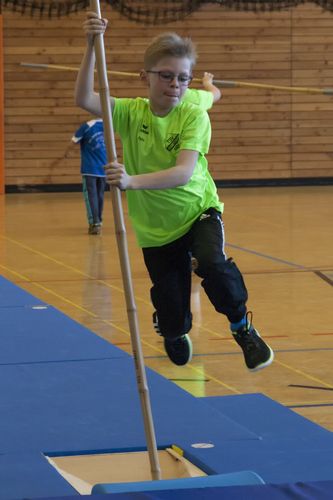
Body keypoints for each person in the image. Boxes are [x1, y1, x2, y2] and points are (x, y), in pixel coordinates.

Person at [75, 12, 274, 371]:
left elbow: (183, 173)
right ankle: (172, 329)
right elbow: (85, 98)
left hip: (198, 210)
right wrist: (91, 44)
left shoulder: (194, 112)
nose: (175, 85)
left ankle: (242, 326)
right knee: (171, 308)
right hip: (156, 228)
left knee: (213, 263)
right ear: (144, 77)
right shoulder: (131, 113)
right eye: (166, 76)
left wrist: (130, 181)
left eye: (183, 78)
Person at [72, 118, 107, 235]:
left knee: (91, 196)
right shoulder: (107, 125)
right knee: (100, 195)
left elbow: (74, 140)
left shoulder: (86, 126)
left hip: (89, 168)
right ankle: (98, 221)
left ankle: (94, 223)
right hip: (104, 168)